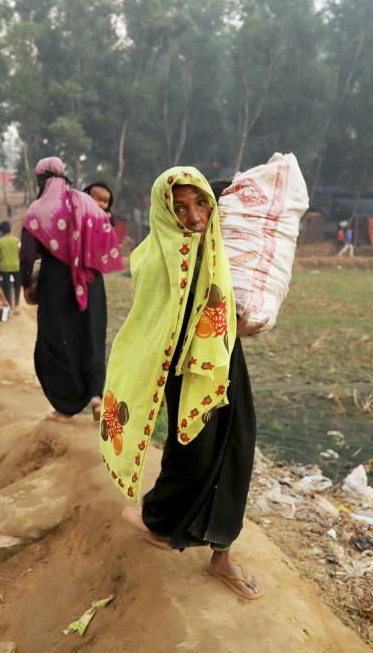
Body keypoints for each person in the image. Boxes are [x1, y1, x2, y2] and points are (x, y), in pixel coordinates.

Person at [104, 167, 267, 601]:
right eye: (180, 208)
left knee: (236, 451)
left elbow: (223, 305)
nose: (193, 216)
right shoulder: (155, 256)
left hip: (225, 362)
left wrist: (238, 321)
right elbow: (156, 323)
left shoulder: (218, 248)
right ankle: (157, 519)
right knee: (191, 456)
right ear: (164, 210)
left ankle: (221, 555)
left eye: (200, 204)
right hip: (182, 371)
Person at [20, 156, 122, 422]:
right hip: (91, 283)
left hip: (55, 284)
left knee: (56, 341)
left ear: (41, 181)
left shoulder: (38, 210)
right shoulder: (86, 202)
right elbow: (106, 234)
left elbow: (27, 256)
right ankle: (96, 396)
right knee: (91, 338)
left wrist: (27, 286)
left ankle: (66, 407)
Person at [0, 221, 21, 315]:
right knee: (17, 286)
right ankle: (17, 305)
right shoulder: (17, 240)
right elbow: (20, 253)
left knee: (6, 287)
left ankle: (9, 306)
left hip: (4, 267)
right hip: (16, 266)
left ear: (1, 231)